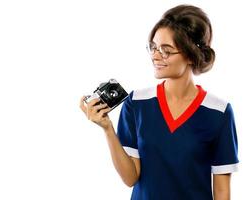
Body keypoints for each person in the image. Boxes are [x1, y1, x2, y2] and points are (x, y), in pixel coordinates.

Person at [80, 4, 239, 200]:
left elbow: (222, 192)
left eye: (166, 50)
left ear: (191, 55)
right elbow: (130, 178)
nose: (155, 56)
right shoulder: (136, 103)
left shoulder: (219, 112)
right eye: (153, 47)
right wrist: (107, 128)